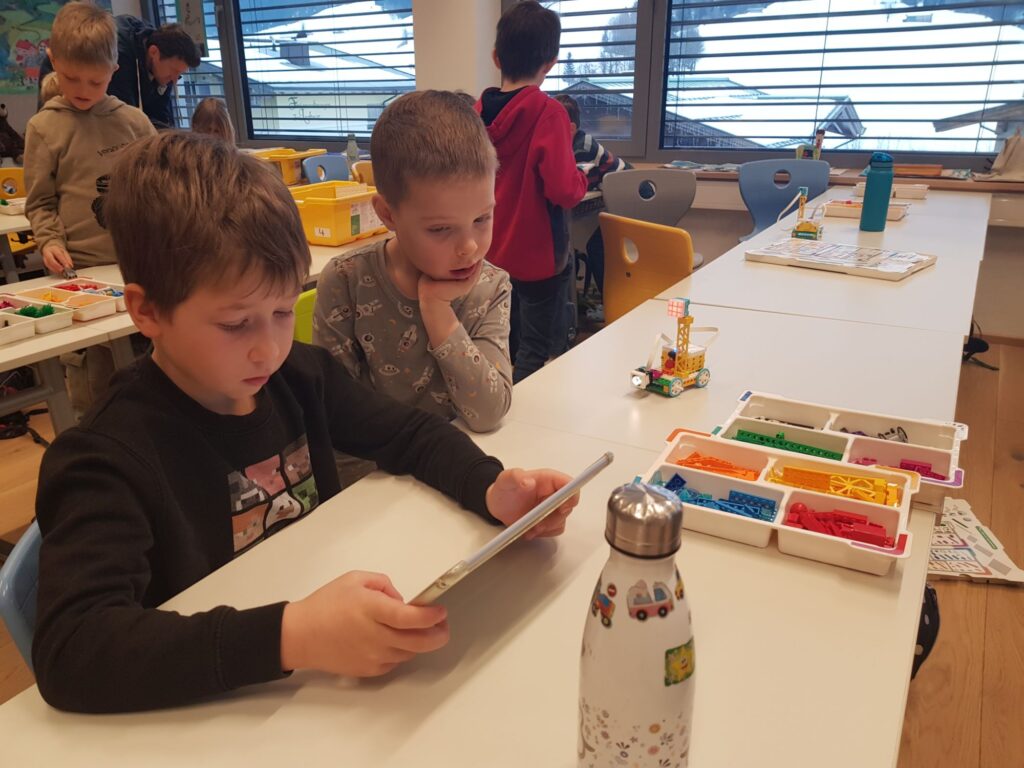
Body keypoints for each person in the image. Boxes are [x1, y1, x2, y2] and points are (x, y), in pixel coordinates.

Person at [32, 131, 579, 714]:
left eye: (281, 311)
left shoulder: (297, 376)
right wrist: (294, 636)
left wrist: (490, 486)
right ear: (147, 311)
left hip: (305, 678)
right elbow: (73, 650)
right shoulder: (106, 457)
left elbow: (409, 433)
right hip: (212, 712)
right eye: (236, 324)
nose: (268, 348)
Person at [314, 91, 512, 485]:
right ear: (387, 214)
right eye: (440, 229)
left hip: (458, 474)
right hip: (372, 487)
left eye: (482, 219)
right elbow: (334, 419)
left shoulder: (491, 286)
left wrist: (437, 310)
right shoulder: (346, 281)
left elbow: (489, 412)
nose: (469, 247)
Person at [24, 2, 156, 414]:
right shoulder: (44, 127)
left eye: (95, 81)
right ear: (53, 60)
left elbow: (161, 188)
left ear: (114, 70)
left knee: (150, 375)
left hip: (138, 267)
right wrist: (48, 241)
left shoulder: (135, 123)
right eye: (70, 78)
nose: (82, 89)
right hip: (81, 274)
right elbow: (40, 202)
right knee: (95, 387)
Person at [477, 0, 587, 383]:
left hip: (489, 253)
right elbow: (564, 190)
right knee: (534, 348)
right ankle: (522, 410)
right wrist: (581, 177)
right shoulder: (549, 113)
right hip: (538, 258)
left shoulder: (475, 113)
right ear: (551, 63)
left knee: (500, 341)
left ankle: (499, 401)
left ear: (496, 57)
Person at [37, 15, 200, 129]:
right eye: (173, 71)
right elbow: (124, 117)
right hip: (58, 89)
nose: (174, 80)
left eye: (179, 75)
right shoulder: (121, 55)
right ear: (154, 52)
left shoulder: (164, 63)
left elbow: (160, 116)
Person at [554, 93, 633, 298]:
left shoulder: (582, 148)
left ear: (570, 128)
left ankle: (610, 301)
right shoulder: (577, 143)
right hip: (625, 196)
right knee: (598, 246)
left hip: (633, 196)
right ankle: (611, 299)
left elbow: (574, 183)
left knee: (597, 247)